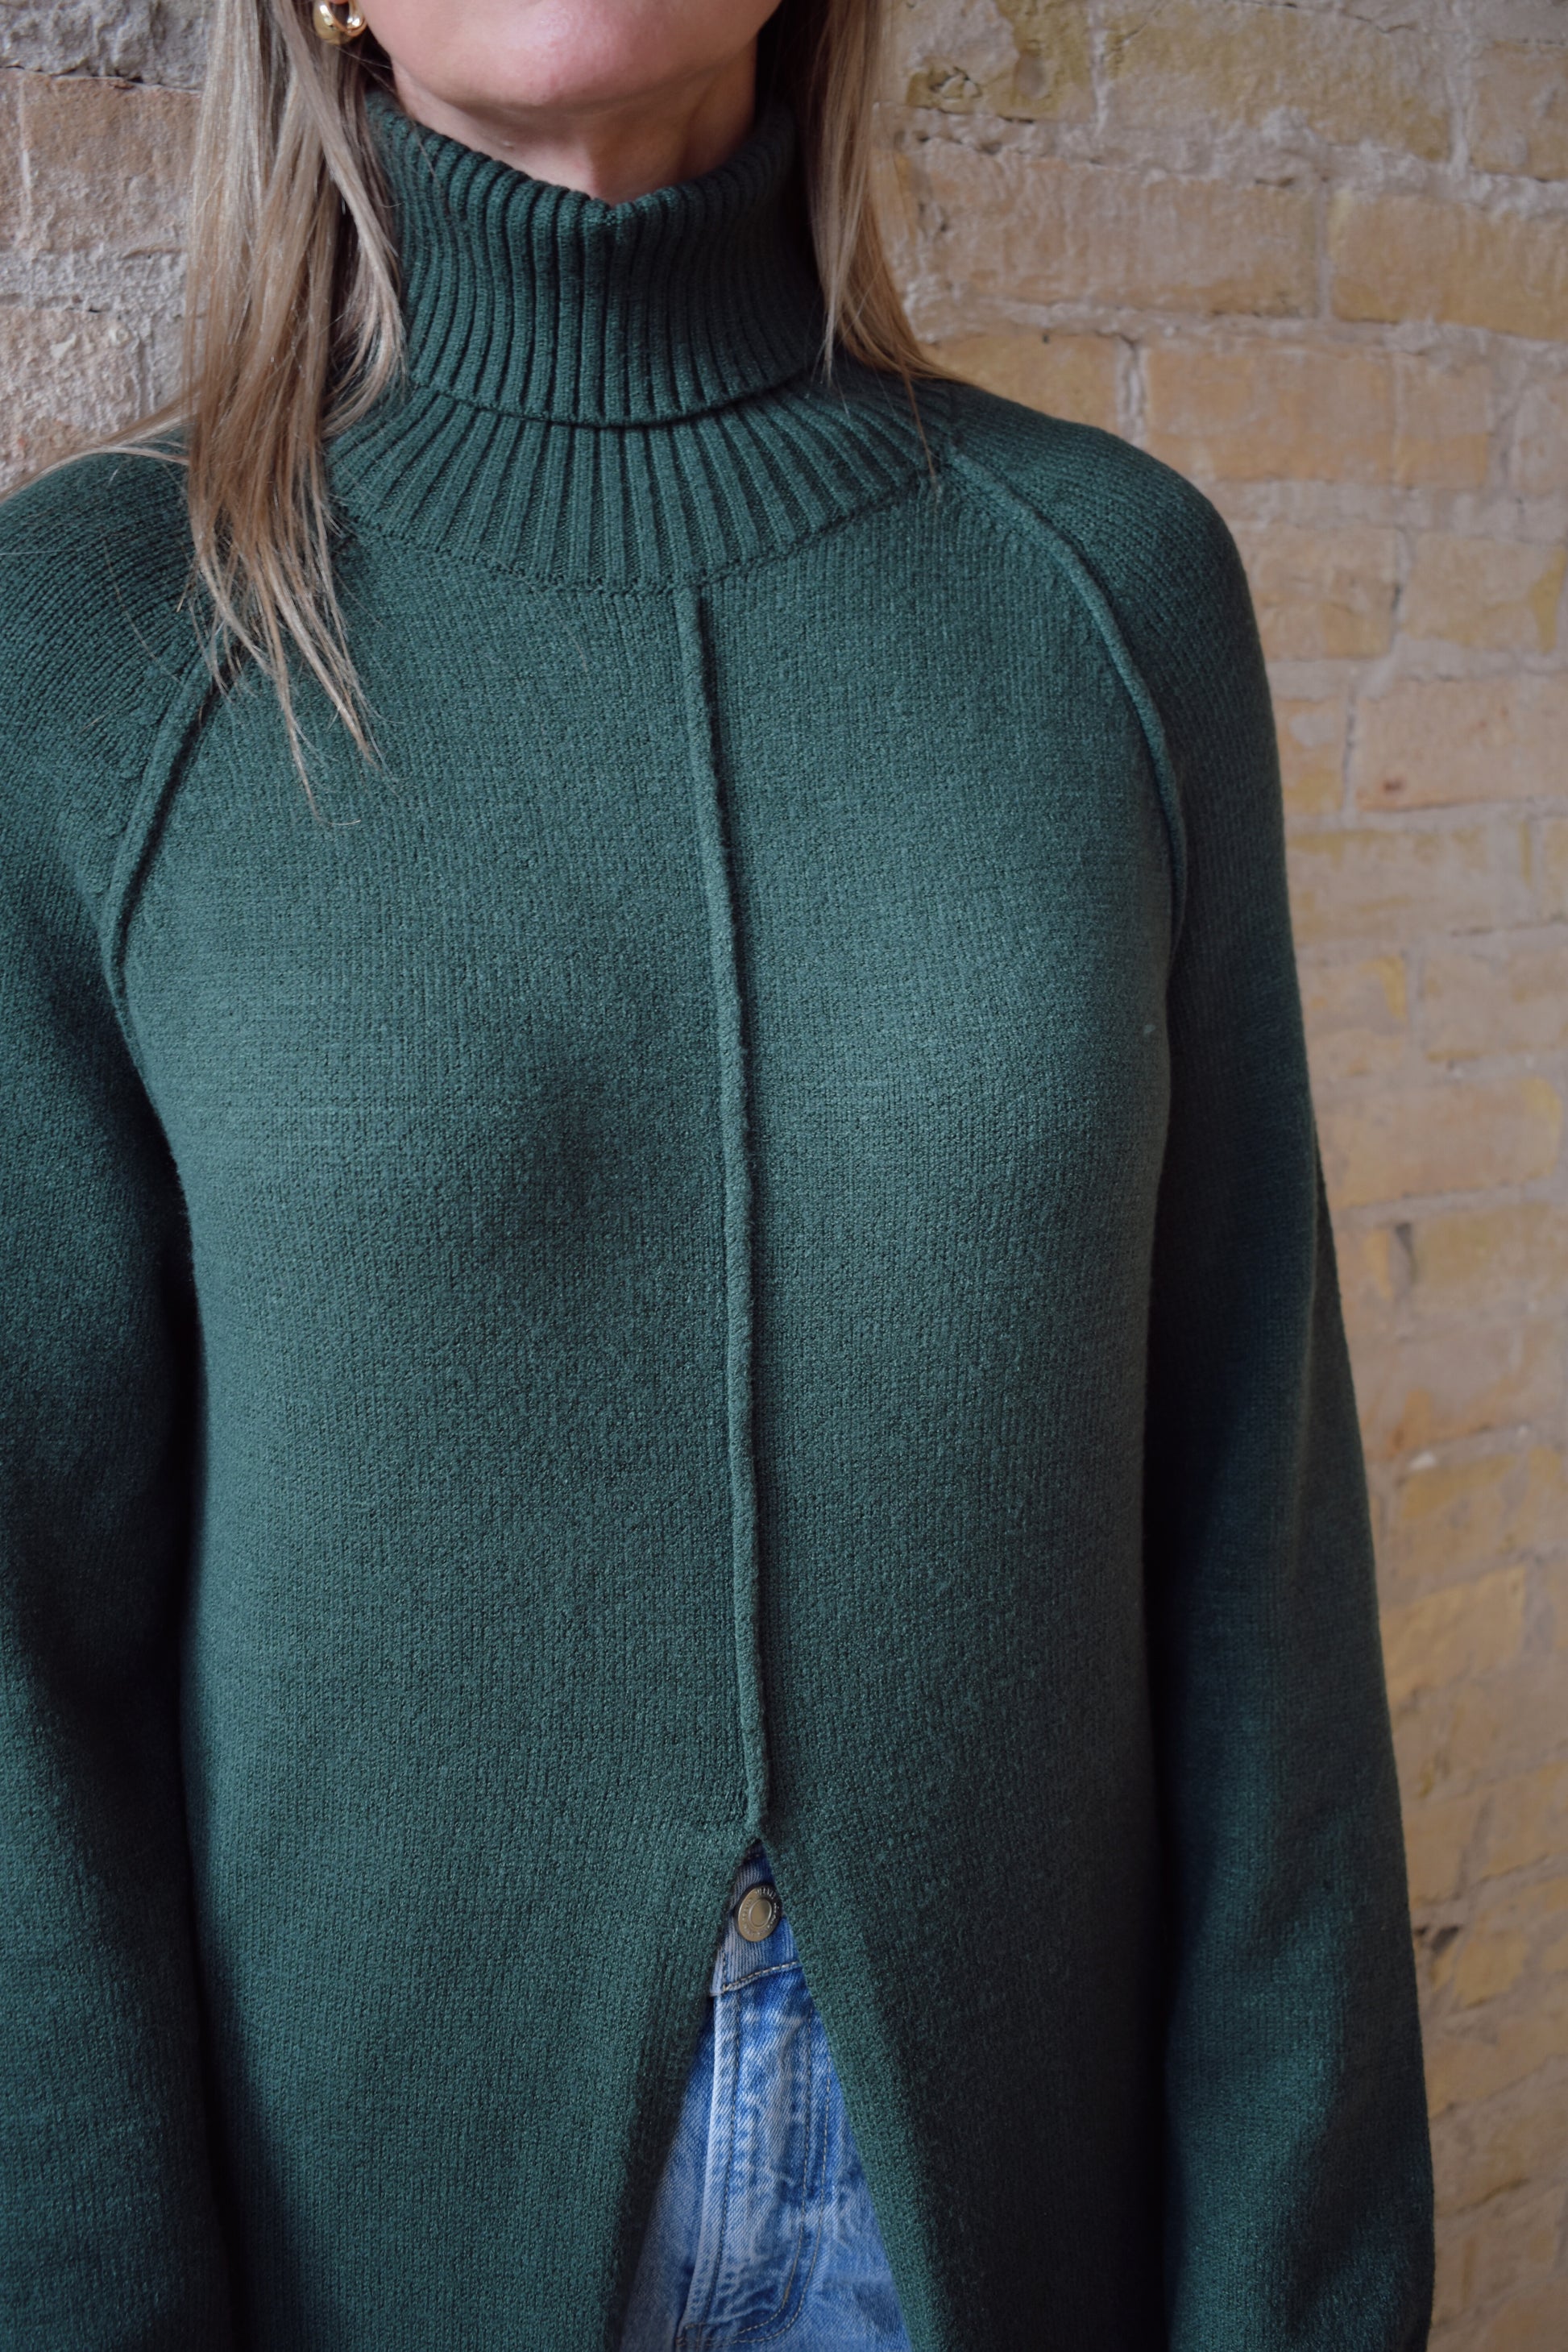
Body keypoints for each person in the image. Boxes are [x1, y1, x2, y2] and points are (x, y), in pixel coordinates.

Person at [0, 2, 1435, 2346]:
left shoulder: (1110, 594)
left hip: (1018, 2236)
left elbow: (1254, 1566)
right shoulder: (100, 647)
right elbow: (25, 1690)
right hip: (360, 2254)